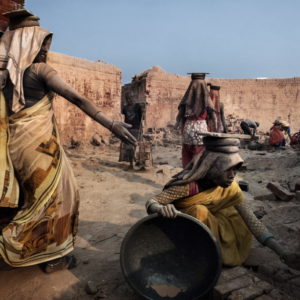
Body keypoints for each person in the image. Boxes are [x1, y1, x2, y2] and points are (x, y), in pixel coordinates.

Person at [0, 9, 136, 272]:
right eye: (43, 44)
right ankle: (45, 255)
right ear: (30, 43)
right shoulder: (40, 70)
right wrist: (111, 125)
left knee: (31, 198)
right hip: (40, 151)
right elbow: (78, 99)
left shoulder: (5, 77)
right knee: (57, 199)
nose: (46, 49)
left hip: (13, 148)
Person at [145, 136, 299, 269]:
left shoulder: (231, 187)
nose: (233, 175)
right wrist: (161, 208)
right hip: (186, 229)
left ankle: (219, 254)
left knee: (235, 215)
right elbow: (152, 202)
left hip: (217, 227)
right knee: (200, 210)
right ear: (213, 167)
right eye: (228, 169)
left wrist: (283, 252)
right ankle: (196, 255)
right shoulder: (188, 186)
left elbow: (251, 221)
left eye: (235, 170)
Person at [175, 72, 217, 168]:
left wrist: (176, 125)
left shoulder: (187, 98)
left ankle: (188, 180)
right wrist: (215, 129)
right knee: (198, 159)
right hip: (201, 131)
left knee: (187, 157)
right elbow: (213, 116)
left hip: (188, 130)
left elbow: (179, 117)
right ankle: (196, 180)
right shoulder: (206, 99)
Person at [119, 91, 147, 170]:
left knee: (138, 146)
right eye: (128, 98)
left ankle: (140, 163)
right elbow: (123, 116)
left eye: (131, 98)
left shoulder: (137, 106)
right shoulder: (125, 108)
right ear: (126, 99)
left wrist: (143, 110)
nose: (129, 100)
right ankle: (131, 164)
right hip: (128, 129)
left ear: (133, 98)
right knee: (129, 147)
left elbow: (143, 117)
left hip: (137, 128)